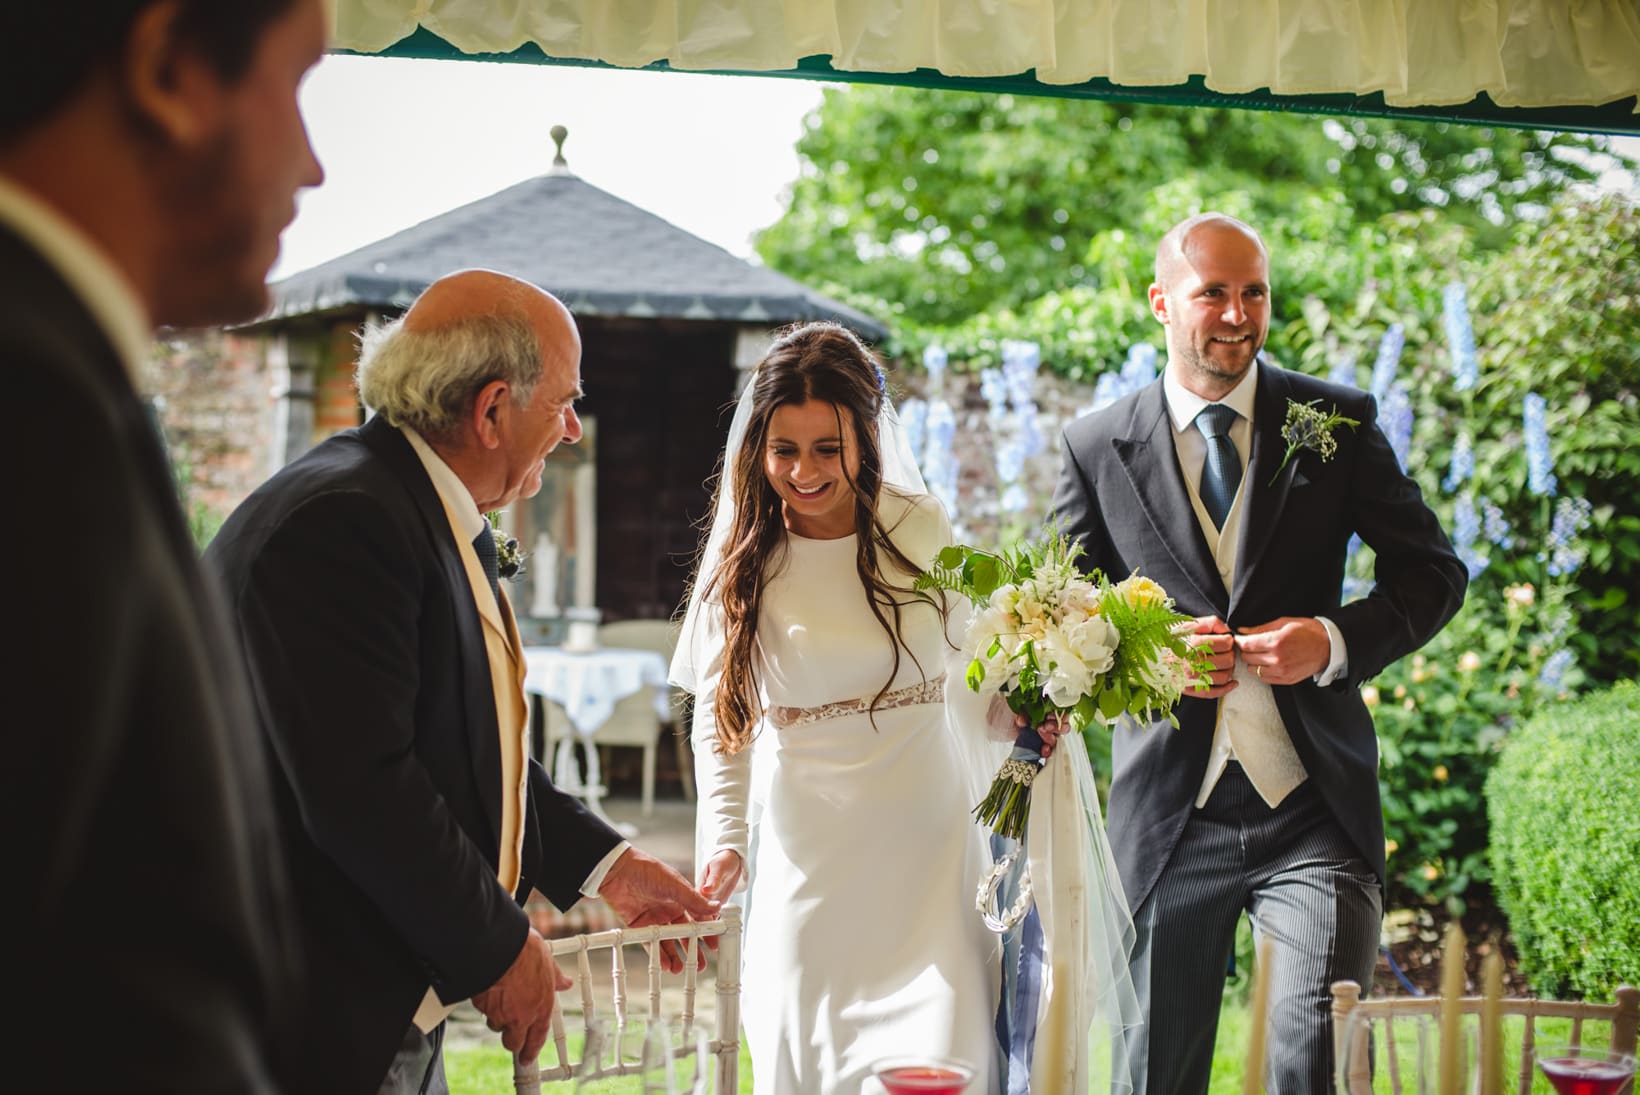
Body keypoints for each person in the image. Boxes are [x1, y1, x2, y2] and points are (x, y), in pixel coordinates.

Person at [204, 268, 719, 1095]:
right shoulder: (344, 523)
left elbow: (467, 748)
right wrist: (496, 943)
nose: (573, 429)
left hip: (371, 993)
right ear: (490, 411)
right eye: (562, 402)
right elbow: (363, 787)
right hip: (312, 1004)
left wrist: (613, 869)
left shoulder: (395, 501)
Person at [1051, 212, 1468, 1093]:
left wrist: (1335, 638)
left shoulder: (1336, 422)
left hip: (1313, 808)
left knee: (1309, 1059)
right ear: (1163, 302)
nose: (1237, 314)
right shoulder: (1094, 447)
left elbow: (1433, 572)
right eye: (1214, 293)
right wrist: (1149, 653)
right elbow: (1060, 620)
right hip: (1171, 816)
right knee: (1151, 1074)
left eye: (1255, 293)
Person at [671, 321, 1140, 1095]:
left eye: (828, 447)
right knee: (808, 1061)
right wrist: (725, 840)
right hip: (808, 868)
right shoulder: (745, 562)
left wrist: (1020, 717)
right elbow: (724, 723)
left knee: (942, 1060)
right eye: (784, 448)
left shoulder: (918, 525)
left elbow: (968, 665)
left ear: (868, 435)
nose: (803, 470)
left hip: (929, 856)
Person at [2, 0, 325, 1089]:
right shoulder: (28, 397)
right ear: (166, 69)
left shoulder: (67, 369)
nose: (316, 164)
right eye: (298, 84)